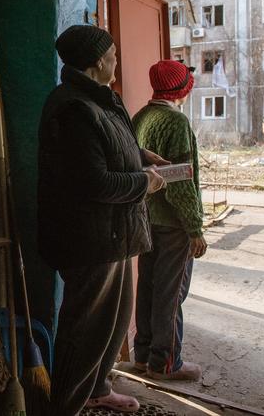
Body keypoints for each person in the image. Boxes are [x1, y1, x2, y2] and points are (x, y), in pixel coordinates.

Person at [38, 25, 168, 415]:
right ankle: (67, 405)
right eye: (112, 55)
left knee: (113, 323)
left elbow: (106, 149)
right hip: (90, 239)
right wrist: (144, 182)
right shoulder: (74, 108)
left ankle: (97, 388)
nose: (117, 61)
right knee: (86, 329)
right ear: (97, 62)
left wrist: (140, 155)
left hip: (113, 233)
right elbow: (93, 182)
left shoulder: (98, 99)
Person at [131, 60, 206, 381]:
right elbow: (180, 181)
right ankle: (165, 363)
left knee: (147, 287)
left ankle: (143, 355)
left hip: (146, 218)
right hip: (173, 224)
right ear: (181, 89)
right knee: (171, 293)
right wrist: (195, 228)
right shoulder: (175, 122)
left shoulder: (141, 117)